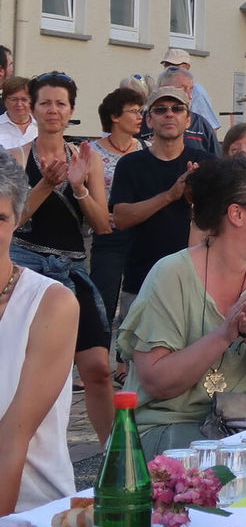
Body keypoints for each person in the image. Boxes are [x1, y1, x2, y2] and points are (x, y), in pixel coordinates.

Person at [118, 157, 246, 454]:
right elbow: (157, 382)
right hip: (170, 426)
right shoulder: (171, 273)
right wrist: (223, 334)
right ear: (236, 213)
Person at [8, 71, 114, 443]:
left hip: (72, 268)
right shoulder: (16, 157)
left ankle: (113, 453)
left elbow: (102, 225)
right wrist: (46, 183)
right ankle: (26, 445)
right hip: (28, 265)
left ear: (71, 110)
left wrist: (79, 187)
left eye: (61, 103)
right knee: (28, 369)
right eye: (45, 103)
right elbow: (14, 219)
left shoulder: (87, 158)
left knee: (98, 367)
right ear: (33, 109)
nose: (53, 110)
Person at [0, 155, 78, 514]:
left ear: (18, 219)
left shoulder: (50, 304)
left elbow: (11, 439)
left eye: (0, 218)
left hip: (31, 515)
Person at [111, 85, 210, 307]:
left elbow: (221, 222)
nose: (169, 114)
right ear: (149, 120)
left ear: (188, 119)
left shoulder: (207, 163)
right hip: (142, 282)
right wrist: (170, 195)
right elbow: (120, 218)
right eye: (160, 109)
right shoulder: (130, 164)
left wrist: (197, 198)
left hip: (195, 282)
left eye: (177, 109)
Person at [87, 87, 147, 324]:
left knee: (139, 303)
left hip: (141, 234)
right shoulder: (91, 151)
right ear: (114, 116)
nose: (140, 116)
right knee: (103, 302)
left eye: (141, 111)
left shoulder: (147, 149)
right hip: (108, 235)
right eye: (133, 111)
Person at [138, 67, 219, 156]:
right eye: (182, 89)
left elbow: (217, 158)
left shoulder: (201, 124)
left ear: (188, 120)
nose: (190, 96)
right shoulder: (139, 121)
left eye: (191, 89)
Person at [160, 48, 221, 131]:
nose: (170, 70)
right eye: (167, 66)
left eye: (175, 66)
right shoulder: (161, 88)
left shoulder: (196, 91)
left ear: (187, 67)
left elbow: (210, 126)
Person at [0, 77, 37, 150]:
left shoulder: (42, 126)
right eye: (14, 99)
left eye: (24, 99)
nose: (19, 104)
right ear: (4, 100)